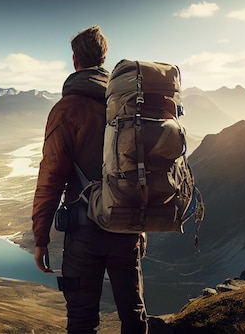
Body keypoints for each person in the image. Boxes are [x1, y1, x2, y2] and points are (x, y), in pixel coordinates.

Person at [32, 25, 148, 334]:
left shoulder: (66, 110)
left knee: (82, 322)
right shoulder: (129, 105)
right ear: (104, 57)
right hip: (127, 227)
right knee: (133, 315)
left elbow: (51, 179)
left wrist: (40, 238)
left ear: (74, 60)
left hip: (85, 234)